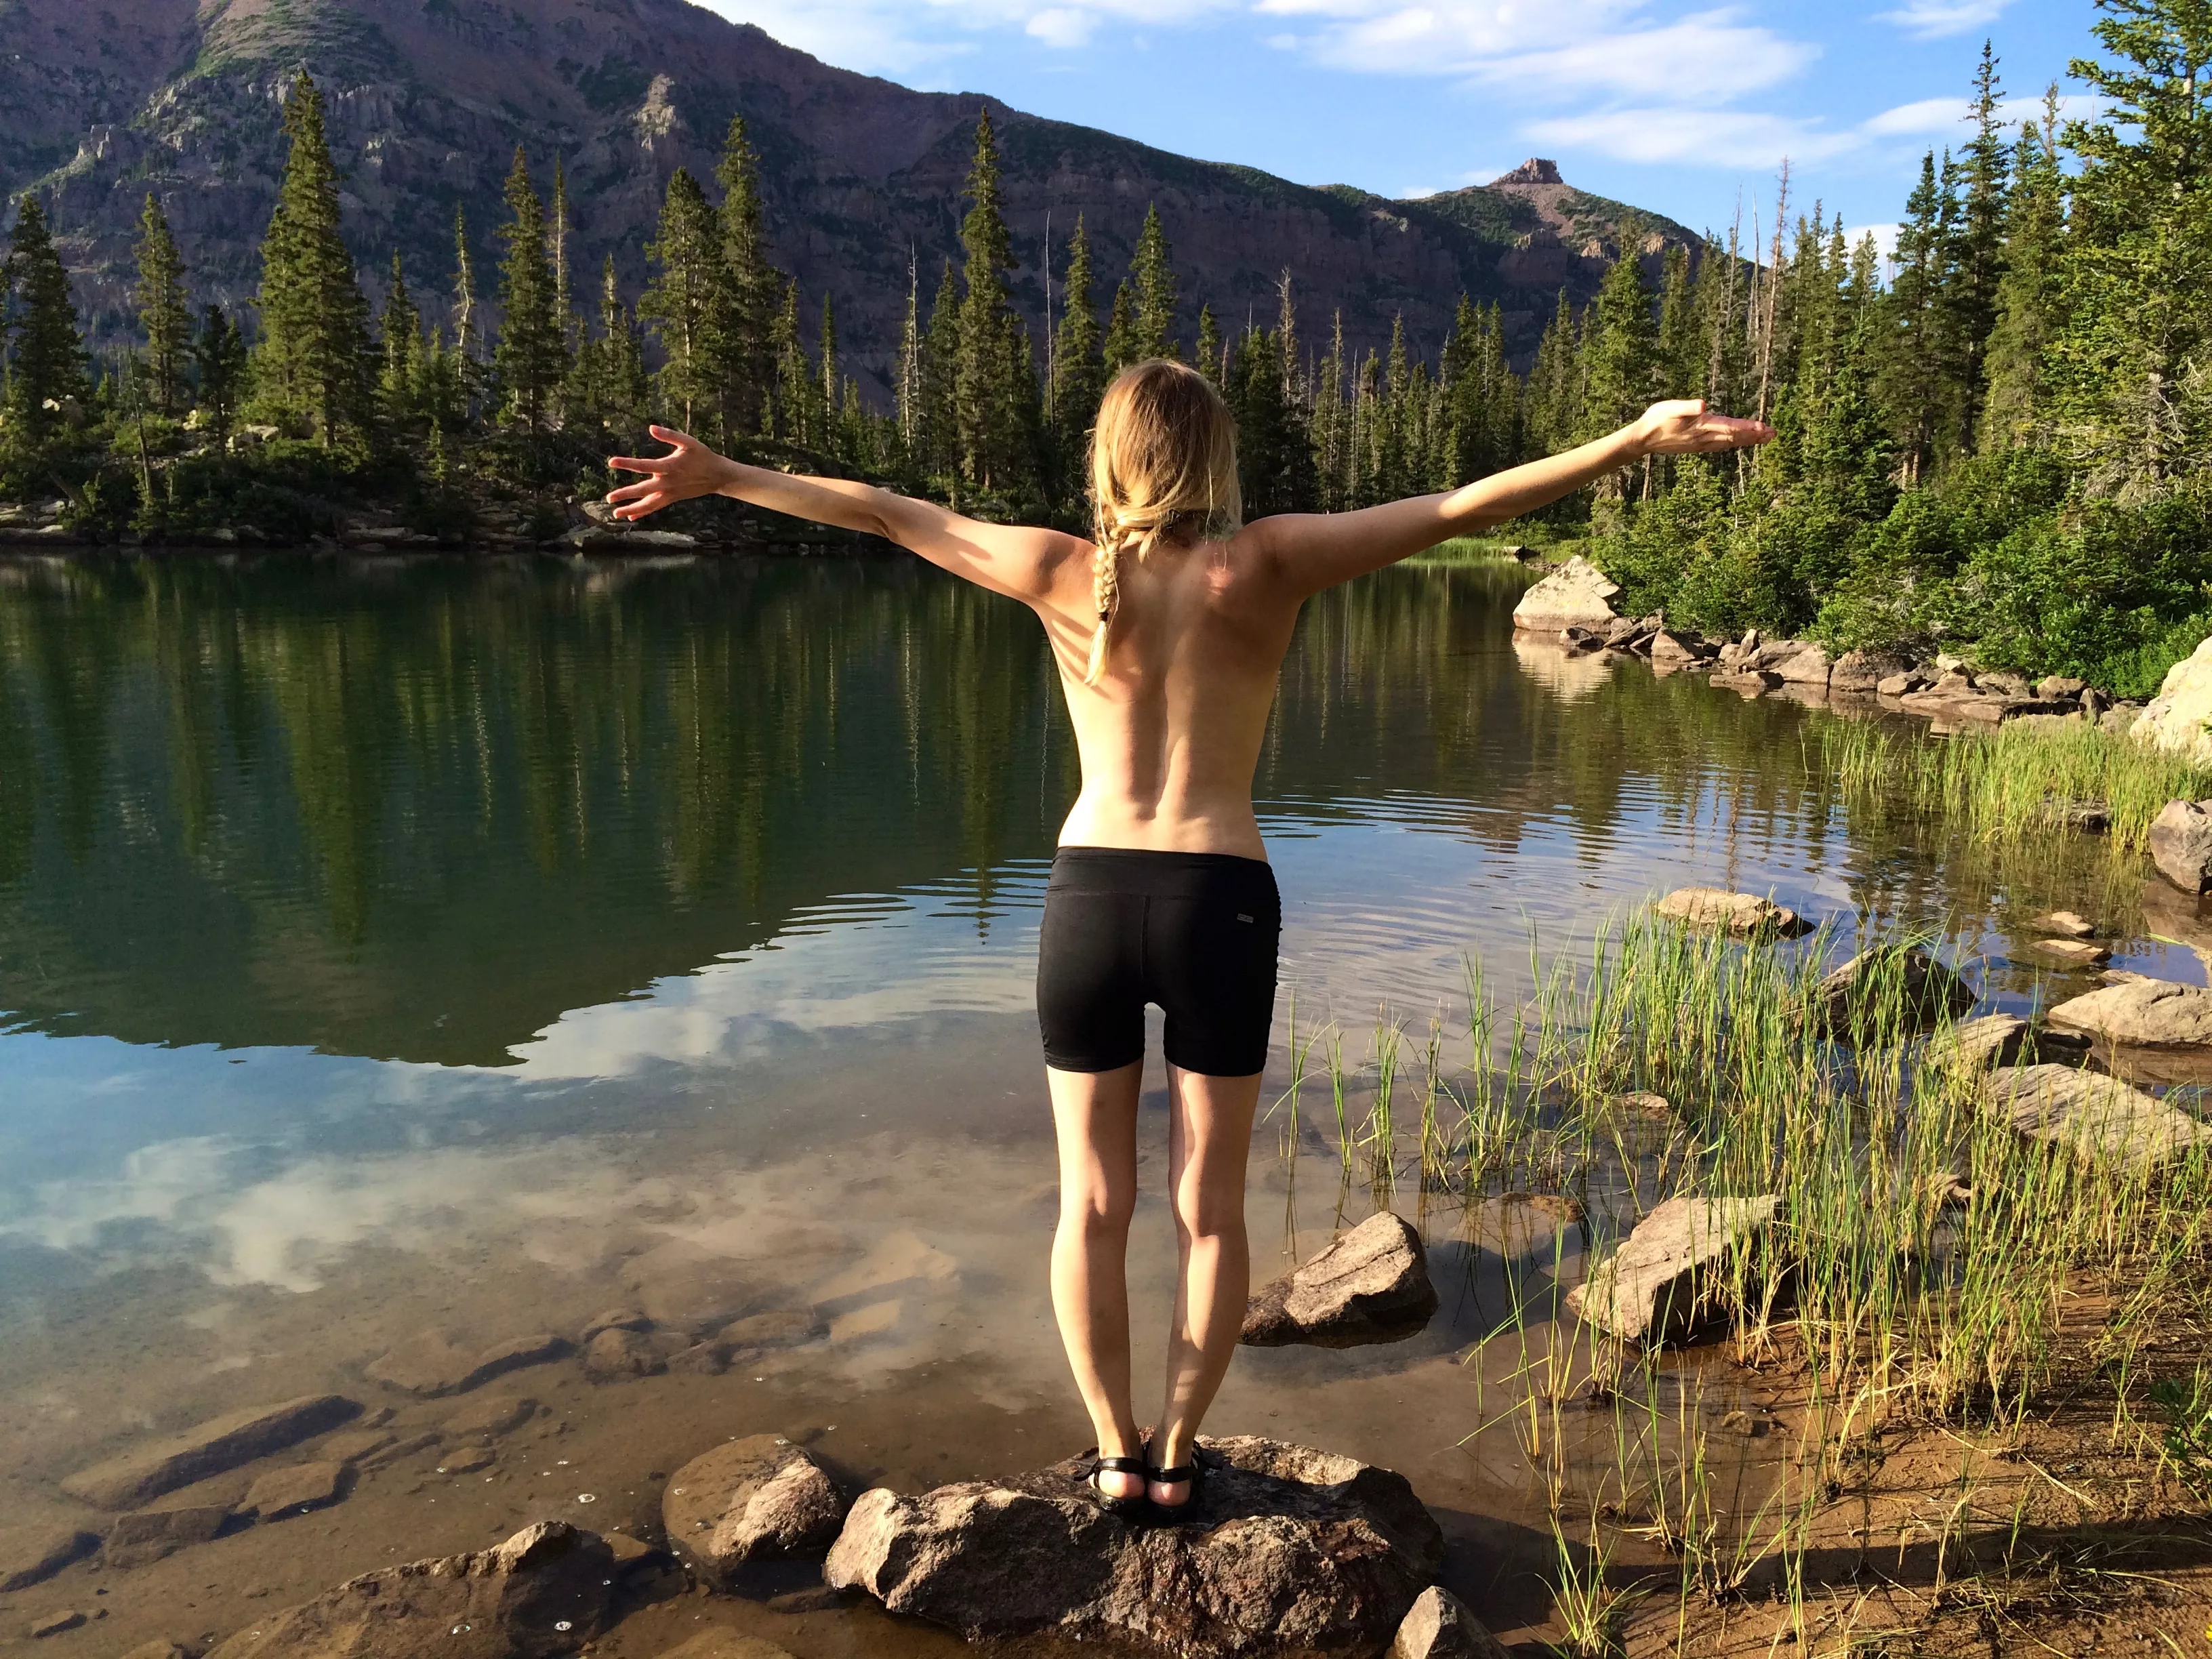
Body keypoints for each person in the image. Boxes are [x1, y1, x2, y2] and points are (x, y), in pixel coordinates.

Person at [607, 361, 1772, 1521]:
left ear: (1108, 456)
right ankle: (1177, 1450)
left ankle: (1112, 1448)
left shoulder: (1058, 569)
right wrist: (1627, 440)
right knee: (1207, 1208)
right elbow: (1468, 505)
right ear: (1216, 458)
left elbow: (877, 507)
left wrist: (724, 477)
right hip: (1221, 898)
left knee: (1092, 1201)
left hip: (1092, 899)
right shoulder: (1267, 562)